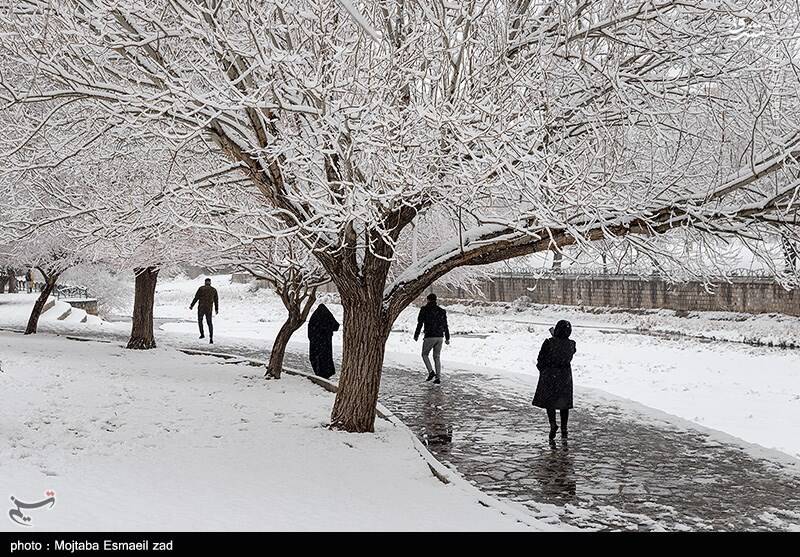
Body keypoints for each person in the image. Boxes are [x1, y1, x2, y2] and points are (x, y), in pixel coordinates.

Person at [532, 320, 576, 440]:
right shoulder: (571, 344)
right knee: (564, 404)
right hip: (565, 377)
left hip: (550, 376)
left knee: (549, 403)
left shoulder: (548, 343)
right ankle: (564, 428)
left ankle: (553, 424)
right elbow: (565, 348)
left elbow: (541, 358)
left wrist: (543, 370)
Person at [413, 293, 450, 384]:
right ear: (436, 300)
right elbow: (445, 325)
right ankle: (438, 377)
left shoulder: (424, 310)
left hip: (429, 336)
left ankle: (431, 372)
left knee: (424, 354)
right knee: (437, 357)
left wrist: (416, 334)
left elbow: (420, 323)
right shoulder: (442, 311)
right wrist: (447, 337)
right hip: (440, 337)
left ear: (428, 300)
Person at [308, 304, 340, 379]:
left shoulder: (314, 318)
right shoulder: (327, 317)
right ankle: (325, 374)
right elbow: (336, 326)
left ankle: (319, 373)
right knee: (325, 359)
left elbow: (310, 331)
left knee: (316, 358)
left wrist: (314, 339)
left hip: (315, 343)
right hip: (326, 343)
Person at [189, 278, 219, 344]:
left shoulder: (201, 289)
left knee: (200, 321)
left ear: (205, 282)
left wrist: (192, 305)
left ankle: (202, 334)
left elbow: (196, 298)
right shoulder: (213, 290)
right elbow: (216, 300)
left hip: (201, 308)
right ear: (210, 282)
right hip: (209, 309)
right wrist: (216, 309)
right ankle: (211, 338)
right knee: (209, 323)